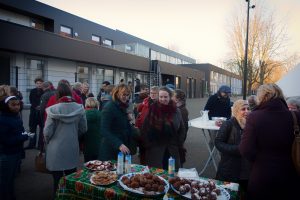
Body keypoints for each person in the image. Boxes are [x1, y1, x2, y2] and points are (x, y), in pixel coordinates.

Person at [239, 83, 300, 200]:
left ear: (262, 97)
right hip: (291, 175)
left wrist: (259, 160)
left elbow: (245, 149)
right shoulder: (296, 116)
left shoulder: (254, 117)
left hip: (263, 176)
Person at [44, 81, 87, 195]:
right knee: (71, 179)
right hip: (72, 146)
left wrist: (48, 141)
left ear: (58, 94)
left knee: (57, 181)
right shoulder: (79, 108)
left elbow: (47, 132)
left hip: (55, 148)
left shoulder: (53, 109)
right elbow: (83, 128)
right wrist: (74, 135)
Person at [141, 86, 186, 170]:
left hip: (172, 148)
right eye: (161, 97)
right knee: (157, 175)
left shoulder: (176, 111)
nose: (163, 99)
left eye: (165, 97)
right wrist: (148, 144)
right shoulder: (153, 110)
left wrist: (179, 142)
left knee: (172, 173)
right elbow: (145, 128)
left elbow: (182, 129)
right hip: (156, 149)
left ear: (170, 97)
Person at [215, 99, 251, 199]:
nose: (247, 111)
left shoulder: (251, 124)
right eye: (243, 109)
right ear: (236, 110)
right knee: (227, 195)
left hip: (246, 170)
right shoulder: (228, 124)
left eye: (248, 108)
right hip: (229, 168)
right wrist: (236, 149)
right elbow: (218, 142)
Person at [0, 96, 31, 200]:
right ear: (6, 105)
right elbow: (6, 140)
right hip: (7, 154)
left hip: (16, 151)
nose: (16, 107)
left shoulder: (15, 116)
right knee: (5, 181)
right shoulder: (3, 119)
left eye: (18, 104)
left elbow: (18, 132)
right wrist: (24, 136)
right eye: (13, 105)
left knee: (11, 179)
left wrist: (24, 134)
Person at [98, 84, 136, 161]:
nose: (126, 97)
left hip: (122, 146)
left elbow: (121, 125)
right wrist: (119, 144)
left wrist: (129, 122)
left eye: (128, 95)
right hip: (111, 149)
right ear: (117, 94)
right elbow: (104, 130)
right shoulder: (109, 107)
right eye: (123, 94)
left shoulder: (122, 106)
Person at [135, 86, 159, 164]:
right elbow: (138, 110)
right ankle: (142, 167)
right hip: (142, 129)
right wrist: (141, 105)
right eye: (151, 93)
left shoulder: (159, 104)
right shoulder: (146, 100)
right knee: (142, 151)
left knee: (151, 154)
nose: (153, 95)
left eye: (155, 93)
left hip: (151, 131)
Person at [172, 89, 189, 166]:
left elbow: (184, 129)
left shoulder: (182, 111)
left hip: (177, 142)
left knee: (177, 164)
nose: (171, 97)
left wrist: (179, 142)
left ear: (177, 99)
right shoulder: (179, 108)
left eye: (172, 96)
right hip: (176, 142)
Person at [27, 77, 44, 149]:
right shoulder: (32, 91)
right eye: (37, 83)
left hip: (41, 112)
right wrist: (36, 106)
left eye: (40, 83)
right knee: (32, 128)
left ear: (42, 84)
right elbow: (31, 100)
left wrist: (41, 107)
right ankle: (31, 144)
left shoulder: (44, 91)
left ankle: (40, 145)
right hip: (33, 112)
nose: (39, 85)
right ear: (35, 84)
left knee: (42, 129)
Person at [83, 97, 101, 162]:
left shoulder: (83, 115)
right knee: (98, 166)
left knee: (88, 165)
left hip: (87, 145)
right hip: (99, 145)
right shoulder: (101, 114)